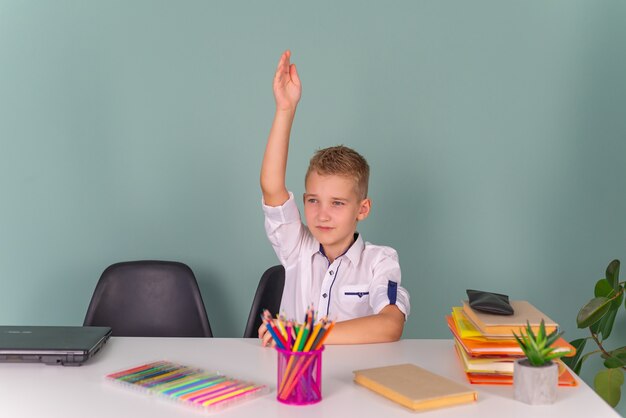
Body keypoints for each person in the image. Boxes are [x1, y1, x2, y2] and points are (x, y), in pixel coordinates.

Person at [259, 50, 410, 345]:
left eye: (337, 203)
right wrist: (285, 110)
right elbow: (271, 186)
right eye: (313, 200)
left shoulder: (380, 261)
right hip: (296, 381)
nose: (322, 214)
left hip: (352, 381)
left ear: (362, 208)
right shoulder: (296, 248)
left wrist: (306, 335)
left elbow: (390, 326)